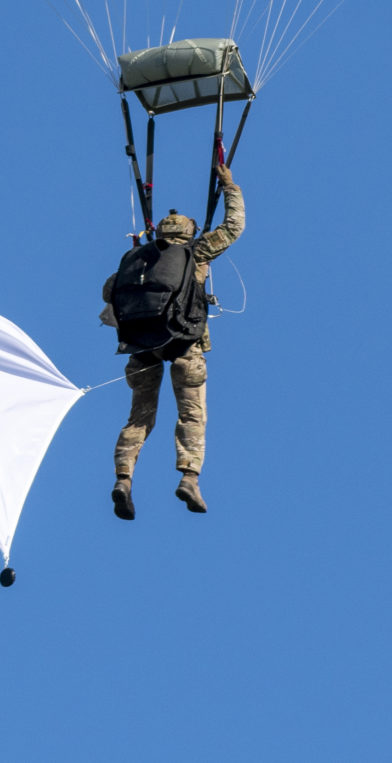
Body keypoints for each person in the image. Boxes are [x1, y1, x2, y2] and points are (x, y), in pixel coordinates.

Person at [102, 160, 244, 517]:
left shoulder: (136, 259)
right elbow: (234, 226)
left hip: (141, 348)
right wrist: (230, 186)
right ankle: (189, 478)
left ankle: (123, 478)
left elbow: (108, 291)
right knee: (191, 415)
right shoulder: (197, 251)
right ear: (188, 232)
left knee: (139, 418)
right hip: (185, 345)